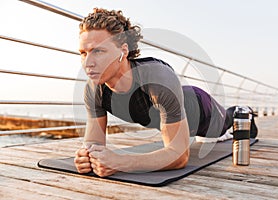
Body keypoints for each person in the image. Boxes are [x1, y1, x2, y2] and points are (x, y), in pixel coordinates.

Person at [74, 8, 257, 177]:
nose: (88, 63)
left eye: (98, 51)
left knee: (227, 122)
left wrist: (121, 162)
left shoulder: (158, 78)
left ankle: (242, 112)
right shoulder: (93, 89)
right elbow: (94, 146)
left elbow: (179, 157)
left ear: (123, 51)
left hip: (200, 110)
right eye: (83, 53)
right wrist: (86, 158)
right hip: (173, 116)